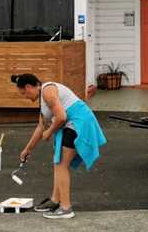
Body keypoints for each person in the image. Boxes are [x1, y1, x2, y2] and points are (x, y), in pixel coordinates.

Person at [14, 73, 107, 220]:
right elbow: (40, 127)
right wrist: (27, 149)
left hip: (79, 122)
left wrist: (50, 131)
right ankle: (55, 201)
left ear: (29, 86)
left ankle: (66, 208)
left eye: (24, 93)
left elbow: (62, 117)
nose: (25, 96)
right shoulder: (42, 100)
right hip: (71, 124)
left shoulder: (47, 91)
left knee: (61, 165)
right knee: (58, 163)